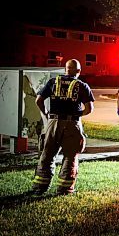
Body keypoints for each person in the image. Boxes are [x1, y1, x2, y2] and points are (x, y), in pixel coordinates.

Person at [32, 59, 95, 195]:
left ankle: (39, 186)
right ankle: (64, 188)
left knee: (47, 154)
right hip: (72, 124)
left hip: (53, 122)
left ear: (65, 69)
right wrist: (78, 115)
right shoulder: (82, 85)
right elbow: (89, 108)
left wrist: (46, 113)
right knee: (70, 157)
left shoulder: (53, 82)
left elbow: (38, 100)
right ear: (78, 71)